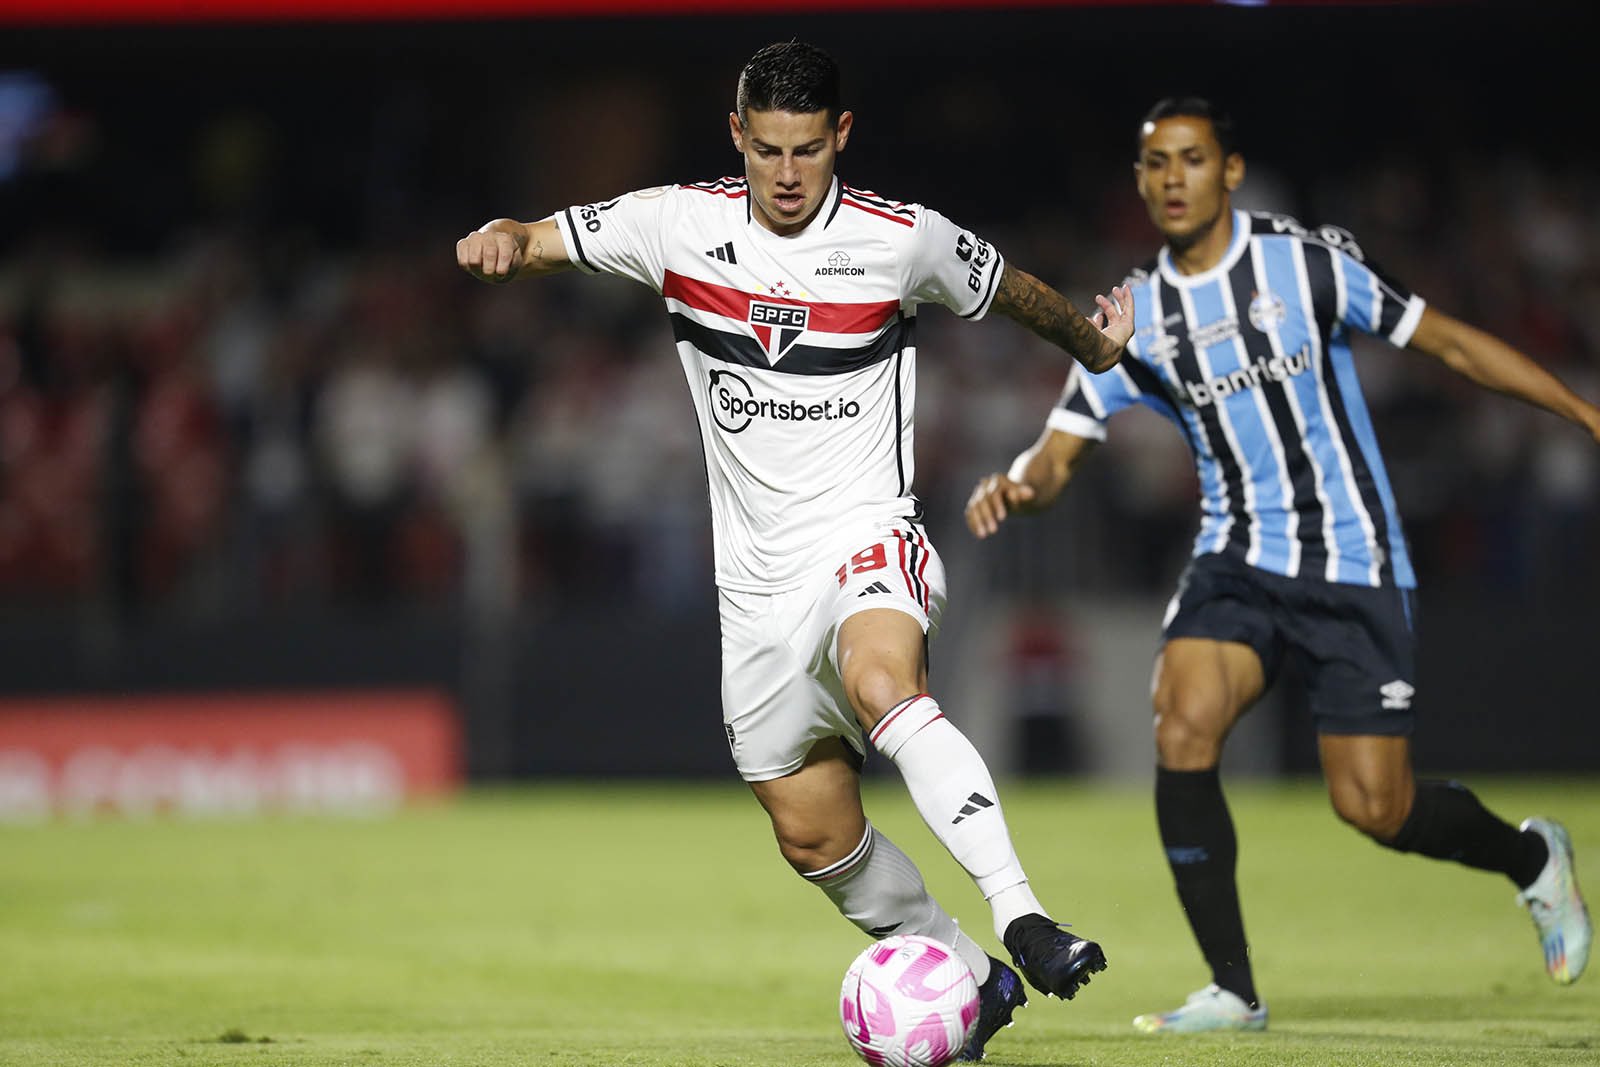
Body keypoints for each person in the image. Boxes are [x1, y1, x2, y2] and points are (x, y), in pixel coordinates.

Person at [457, 42, 1132, 1060]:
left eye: (807, 150)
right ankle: (973, 974)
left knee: (878, 676)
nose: (785, 173)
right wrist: (507, 235)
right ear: (737, 134)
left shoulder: (902, 241)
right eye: (767, 148)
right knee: (812, 831)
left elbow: (1013, 291)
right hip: (756, 589)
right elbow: (550, 236)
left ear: (841, 137)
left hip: (866, 535)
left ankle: (1023, 916)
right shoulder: (675, 224)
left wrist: (1092, 344)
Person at [965, 96, 1597, 1034]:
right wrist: (1020, 482)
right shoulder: (1135, 316)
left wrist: (1585, 415)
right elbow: (1063, 448)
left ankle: (1530, 858)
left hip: (1351, 560)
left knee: (1376, 806)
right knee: (1182, 721)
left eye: (1192, 159)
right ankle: (1233, 989)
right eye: (1155, 164)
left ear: (1229, 171)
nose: (1173, 178)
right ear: (1140, 185)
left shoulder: (1304, 264)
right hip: (1236, 559)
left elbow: (1451, 341)